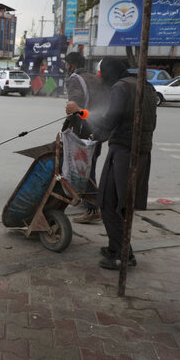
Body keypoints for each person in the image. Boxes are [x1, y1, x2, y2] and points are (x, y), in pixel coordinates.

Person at [66, 57, 157, 270]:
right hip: (142, 151)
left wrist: (81, 114)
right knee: (123, 203)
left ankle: (122, 255)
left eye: (102, 75)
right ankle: (116, 247)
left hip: (123, 152)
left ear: (108, 73)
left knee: (109, 202)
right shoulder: (146, 85)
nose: (102, 79)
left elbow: (109, 120)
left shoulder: (120, 87)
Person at [63, 52, 106, 224]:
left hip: (83, 131)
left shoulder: (74, 79)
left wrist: (68, 125)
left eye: (67, 64)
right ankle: (85, 198)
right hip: (98, 129)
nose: (66, 67)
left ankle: (92, 209)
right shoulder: (95, 78)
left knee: (84, 169)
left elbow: (74, 106)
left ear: (71, 65)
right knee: (90, 165)